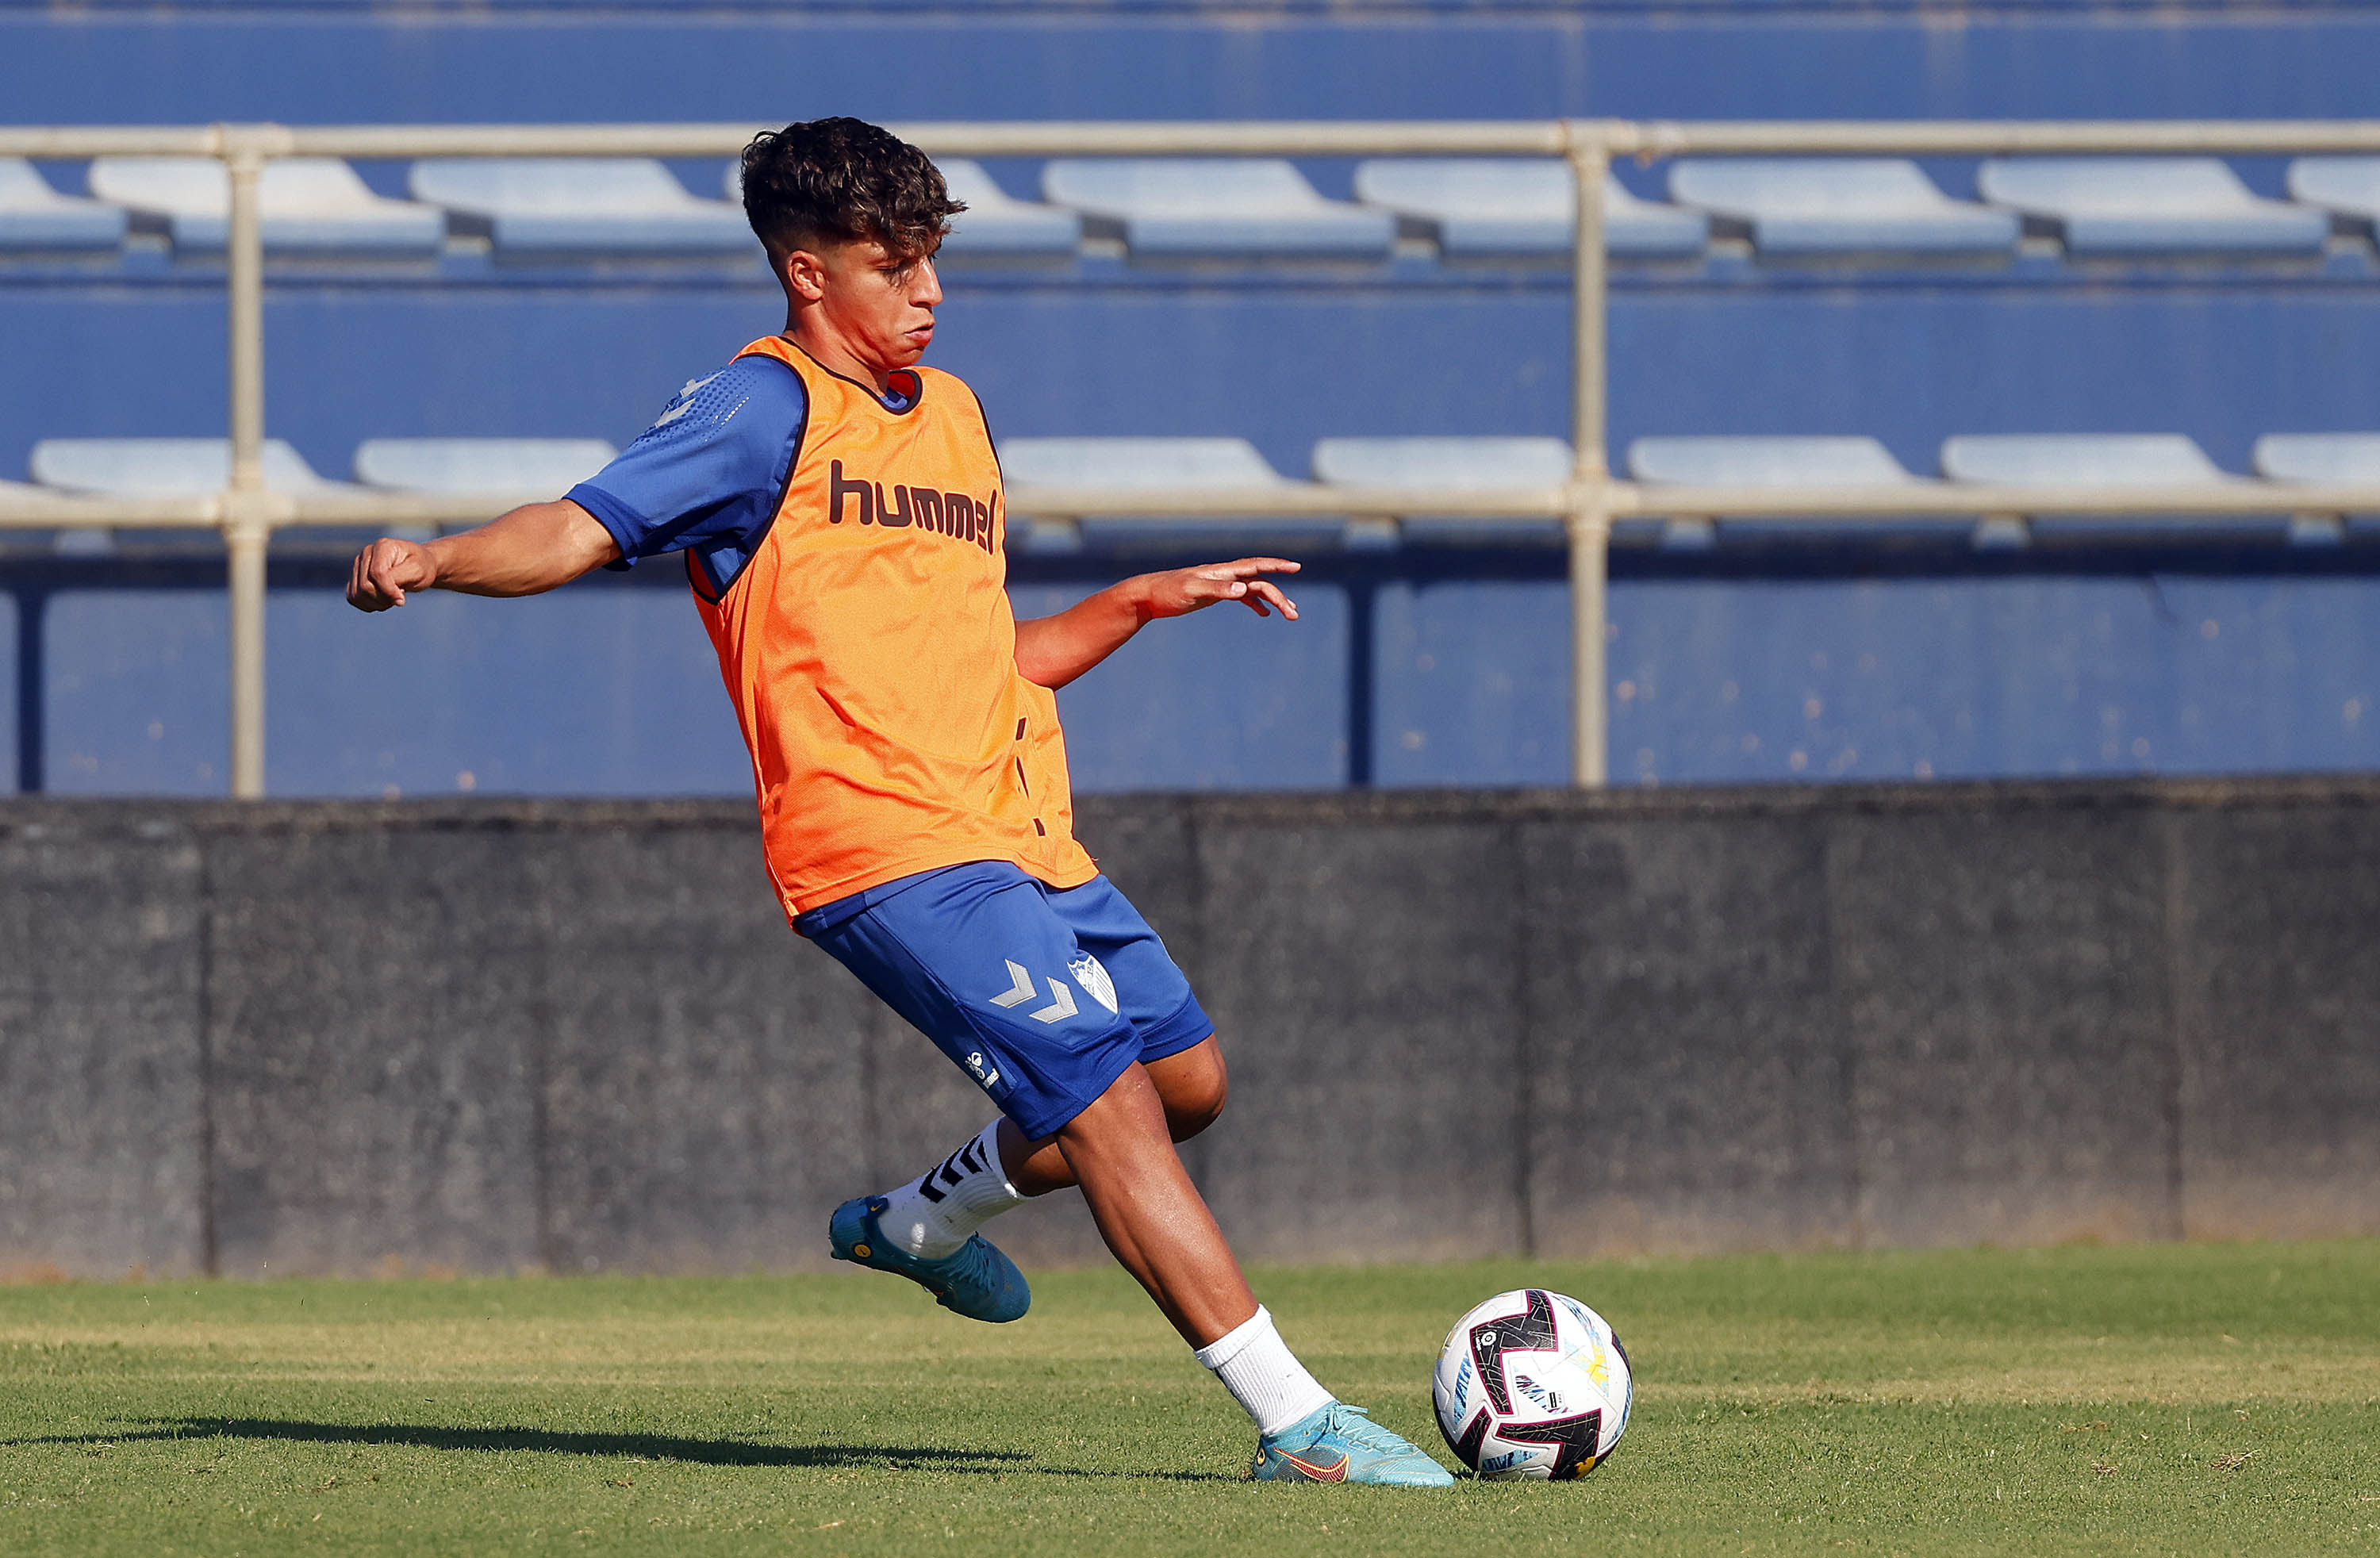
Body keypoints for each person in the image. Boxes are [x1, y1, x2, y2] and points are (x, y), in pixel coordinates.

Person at [345, 117, 1451, 1487]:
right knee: (1106, 1104)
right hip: (885, 851)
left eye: (932, 258)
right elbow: (575, 527)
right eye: (896, 263)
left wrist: (1135, 602)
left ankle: (919, 1226)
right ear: (809, 274)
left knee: (1188, 1085)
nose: (929, 291)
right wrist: (436, 557)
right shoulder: (759, 412)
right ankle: (1301, 1428)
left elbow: (980, 658)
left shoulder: (964, 419)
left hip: (1021, 830)